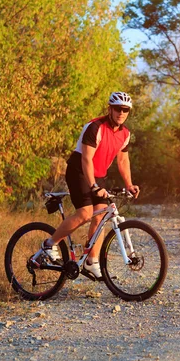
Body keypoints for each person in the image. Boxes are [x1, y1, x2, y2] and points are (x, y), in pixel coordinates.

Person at [41, 91, 140, 280]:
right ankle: (49, 244)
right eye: (118, 109)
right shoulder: (95, 127)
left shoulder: (125, 134)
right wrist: (94, 185)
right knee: (85, 213)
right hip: (79, 171)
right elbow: (86, 159)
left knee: (101, 215)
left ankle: (91, 262)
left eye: (125, 110)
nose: (121, 113)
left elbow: (123, 161)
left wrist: (129, 184)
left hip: (98, 175)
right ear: (109, 109)